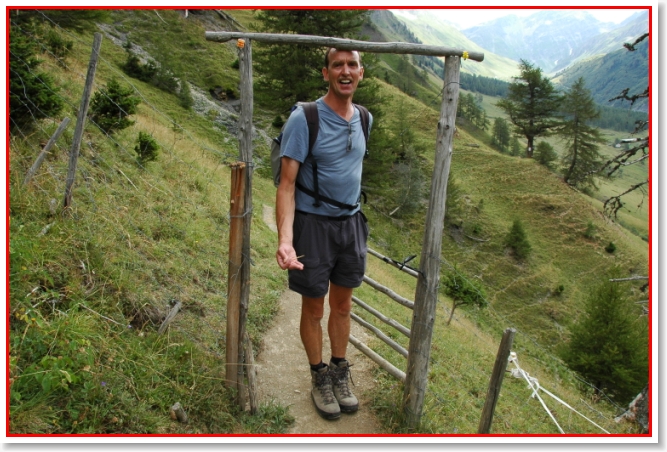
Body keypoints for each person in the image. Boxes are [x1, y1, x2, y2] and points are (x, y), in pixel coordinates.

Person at [275, 48, 372, 420]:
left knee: (343, 306)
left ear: (361, 72)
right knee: (314, 308)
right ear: (326, 73)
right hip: (313, 226)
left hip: (351, 224)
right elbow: (286, 185)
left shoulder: (364, 118)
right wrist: (286, 240)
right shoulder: (305, 118)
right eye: (337, 65)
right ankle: (319, 376)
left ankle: (339, 371)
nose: (345, 71)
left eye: (352, 65)